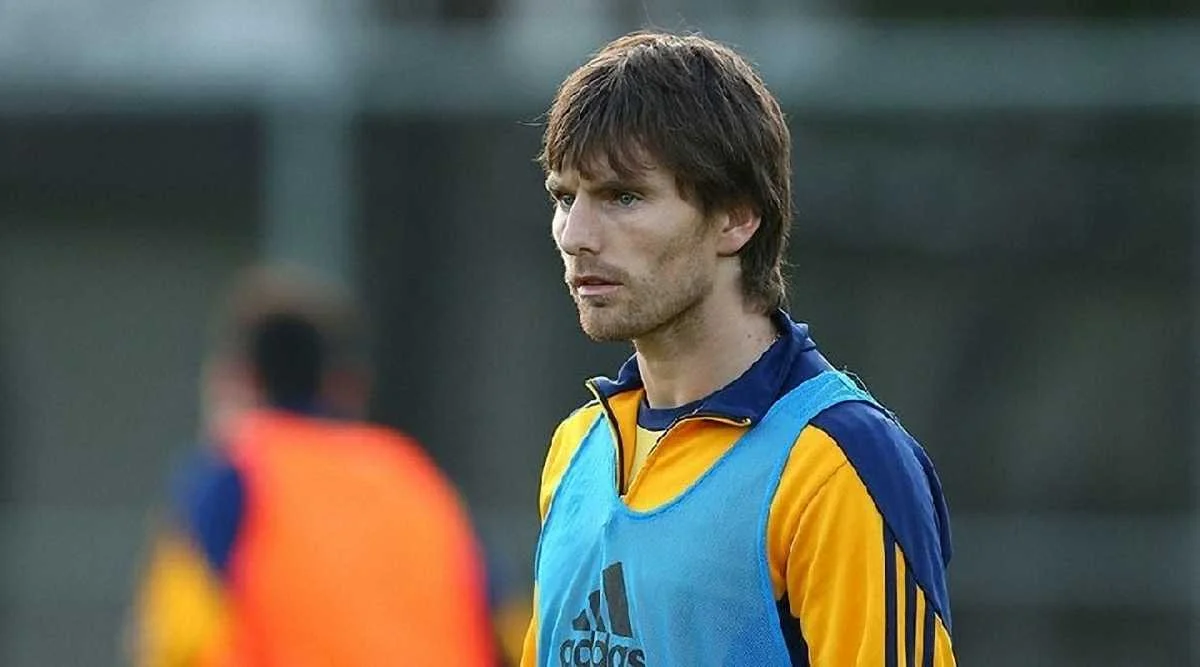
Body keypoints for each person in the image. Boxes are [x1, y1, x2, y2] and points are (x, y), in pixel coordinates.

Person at [522, 31, 956, 666]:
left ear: (735, 218)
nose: (576, 235)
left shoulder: (836, 464)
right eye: (565, 198)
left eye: (623, 196)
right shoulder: (577, 449)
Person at [131, 264, 499, 667]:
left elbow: (179, 638)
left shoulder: (233, 474)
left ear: (241, 380)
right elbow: (513, 622)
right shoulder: (414, 474)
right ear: (344, 384)